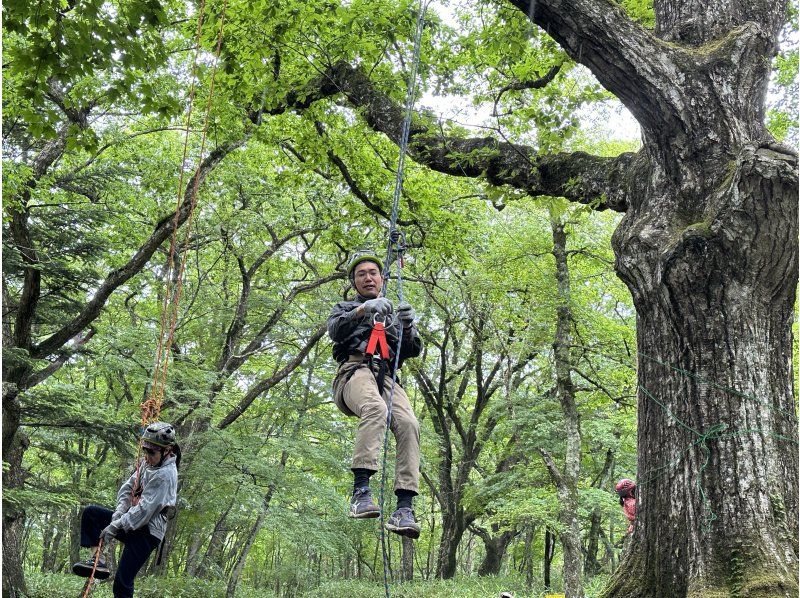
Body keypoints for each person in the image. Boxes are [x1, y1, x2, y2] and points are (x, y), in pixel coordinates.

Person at [328, 251, 423, 538]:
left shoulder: (393, 316)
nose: (368, 277)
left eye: (373, 272)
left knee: (409, 424)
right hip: (355, 371)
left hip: (388, 377)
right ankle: (361, 492)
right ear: (354, 282)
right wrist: (362, 310)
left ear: (382, 278)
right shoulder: (344, 308)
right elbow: (335, 330)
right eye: (361, 274)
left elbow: (411, 350)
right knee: (375, 408)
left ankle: (404, 508)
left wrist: (407, 326)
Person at [72, 422, 180, 596]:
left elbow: (144, 511)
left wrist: (115, 525)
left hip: (148, 532)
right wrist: (118, 514)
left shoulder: (166, 475)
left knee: (123, 582)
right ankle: (98, 560)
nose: (147, 455)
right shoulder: (147, 463)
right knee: (91, 514)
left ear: (167, 450)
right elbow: (128, 488)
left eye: (151, 452)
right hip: (132, 519)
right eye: (145, 450)